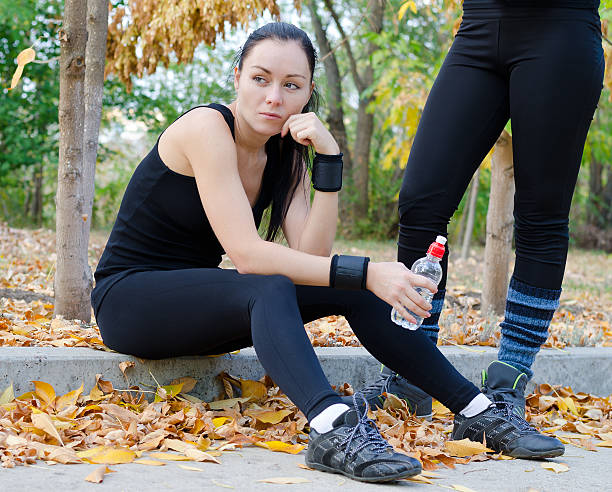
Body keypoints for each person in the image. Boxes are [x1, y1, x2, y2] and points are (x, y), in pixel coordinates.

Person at [91, 22, 563, 484]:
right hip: (130, 302)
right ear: (237, 77)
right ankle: (331, 426)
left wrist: (329, 161)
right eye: (260, 79)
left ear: (308, 92)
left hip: (199, 307)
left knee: (353, 291)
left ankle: (476, 410)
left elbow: (313, 259)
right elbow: (250, 257)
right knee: (285, 282)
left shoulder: (284, 153)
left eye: (291, 85)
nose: (274, 97)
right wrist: (367, 271)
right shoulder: (205, 127)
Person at [353, 0, 605, 419]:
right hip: (478, 26)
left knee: (540, 215)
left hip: (561, 26)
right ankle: (413, 374)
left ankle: (509, 382)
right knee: (421, 202)